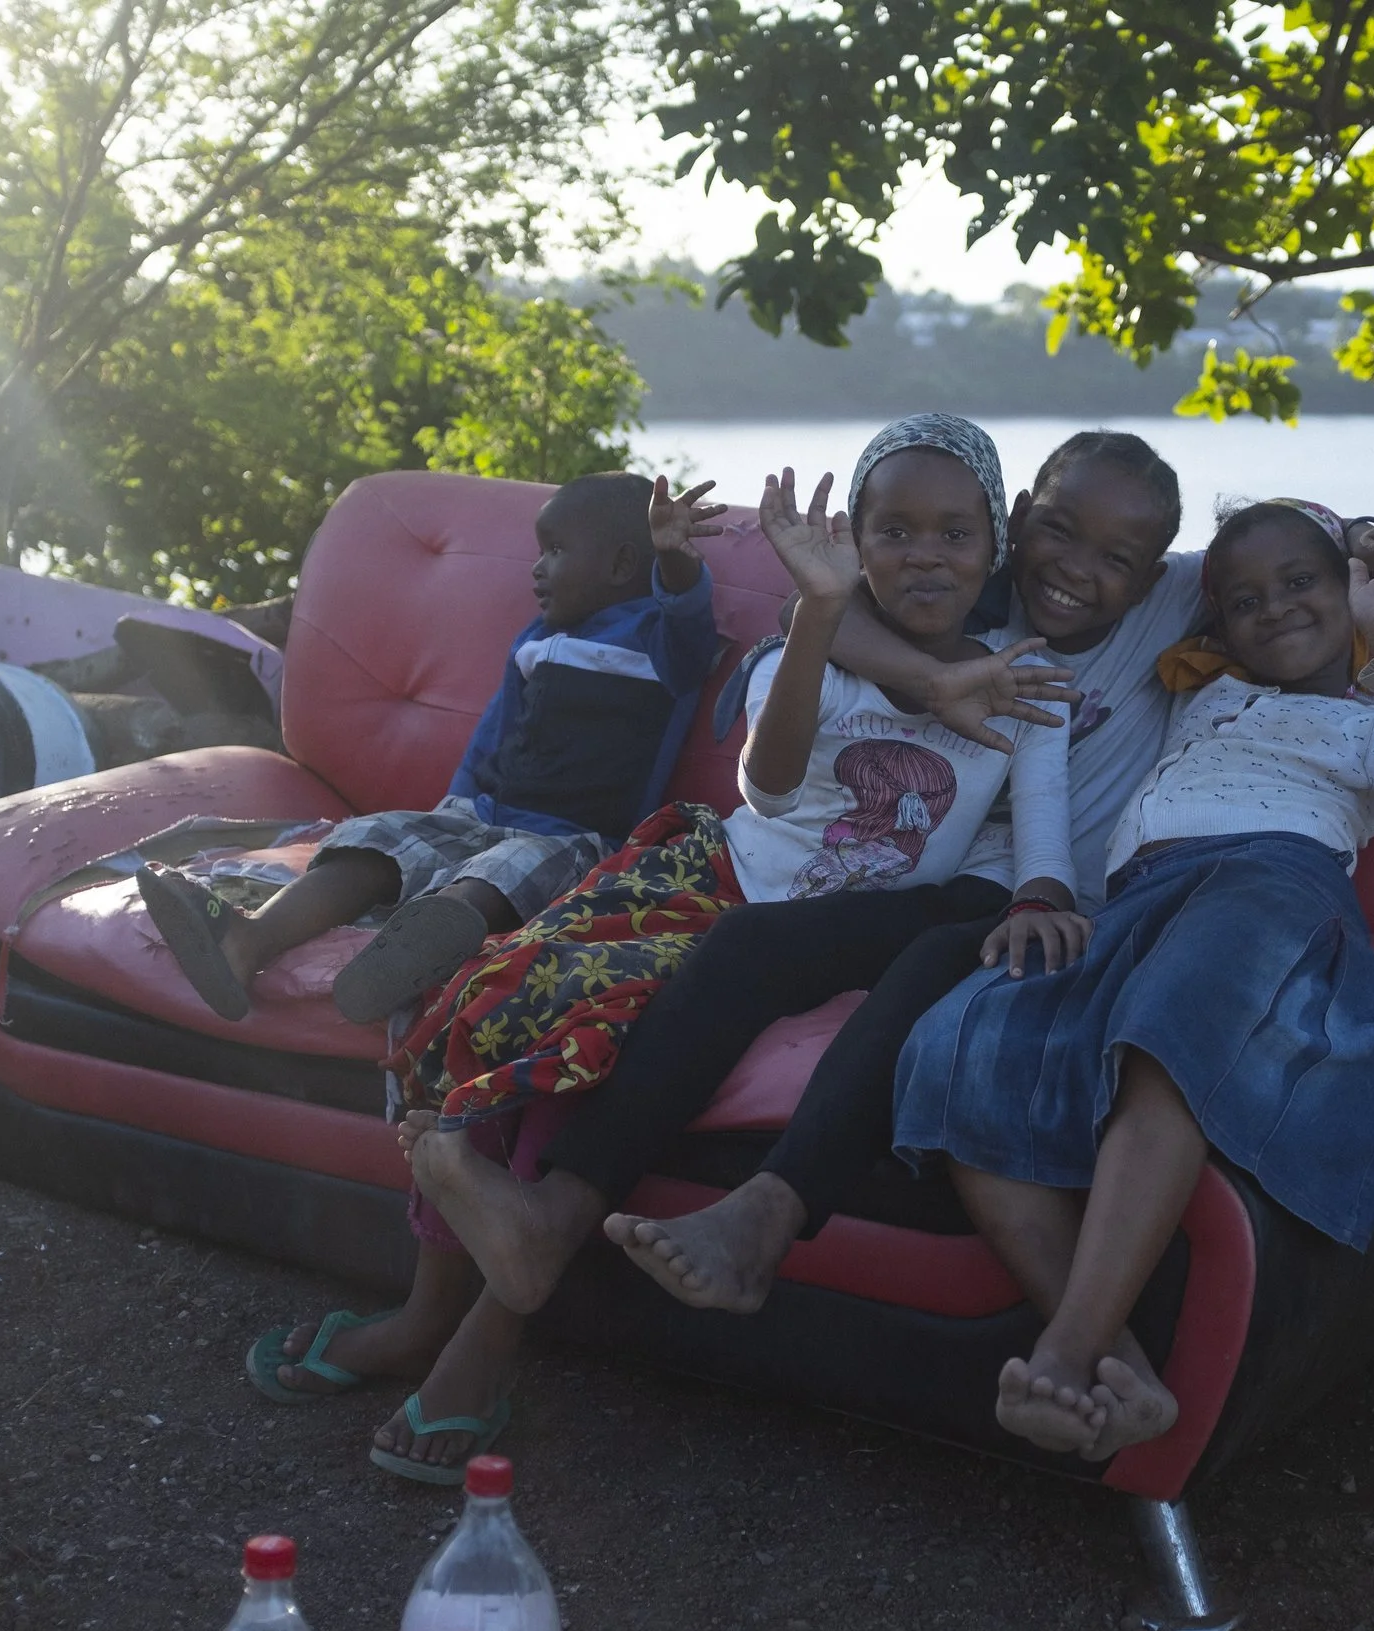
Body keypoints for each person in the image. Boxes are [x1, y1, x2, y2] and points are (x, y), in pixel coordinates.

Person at [314, 414, 1075, 1481]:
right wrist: (815, 608)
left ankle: (486, 1337)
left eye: (955, 533)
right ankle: (427, 1306)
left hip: (827, 933)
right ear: (853, 540)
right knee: (515, 992)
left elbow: (1042, 830)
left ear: (994, 548)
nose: (926, 555)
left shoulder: (1023, 683)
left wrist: (1042, 890)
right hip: (710, 877)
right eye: (893, 530)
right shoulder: (798, 648)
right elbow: (768, 783)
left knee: (592, 1046)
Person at [892, 499, 1374, 1462]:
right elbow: (1148, 566)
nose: (1276, 610)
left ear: (1346, 594)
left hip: (1272, 889)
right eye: (1246, 599)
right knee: (966, 1039)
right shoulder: (1199, 691)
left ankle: (1068, 1347)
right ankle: (1124, 1371)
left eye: (1302, 585)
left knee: (1174, 1028)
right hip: (1136, 904)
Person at [600, 429, 1193, 1310]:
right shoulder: (965, 577)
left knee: (931, 960)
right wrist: (890, 650)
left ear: (1151, 574)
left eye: (1115, 556)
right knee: (752, 941)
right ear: (1018, 522)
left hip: (1034, 899)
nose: (1074, 567)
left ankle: (768, 1212)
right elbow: (815, 636)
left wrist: (1361, 545)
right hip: (929, 878)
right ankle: (567, 1206)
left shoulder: (1167, 597)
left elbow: (1288, 555)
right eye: (1056, 532)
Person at [138, 471, 724, 1024]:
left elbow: (689, 619)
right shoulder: (538, 641)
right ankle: (248, 941)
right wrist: (453, 809)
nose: (537, 569)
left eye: (555, 551)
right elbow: (495, 733)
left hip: (573, 839)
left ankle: (407, 958)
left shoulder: (657, 643)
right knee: (375, 838)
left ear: (622, 563)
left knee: (505, 872)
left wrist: (672, 555)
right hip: (481, 814)